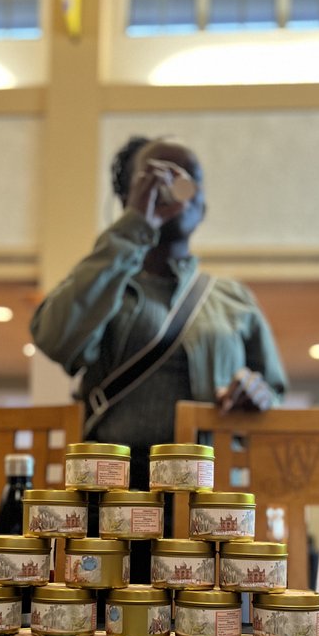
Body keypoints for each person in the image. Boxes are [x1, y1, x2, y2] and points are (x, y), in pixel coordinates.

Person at [30, 136, 288, 486]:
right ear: (127, 197)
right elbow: (54, 337)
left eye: (188, 175)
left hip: (206, 494)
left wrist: (257, 394)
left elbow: (274, 397)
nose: (173, 184)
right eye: (153, 176)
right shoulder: (107, 285)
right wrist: (135, 226)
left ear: (203, 206)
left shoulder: (232, 299)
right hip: (110, 493)